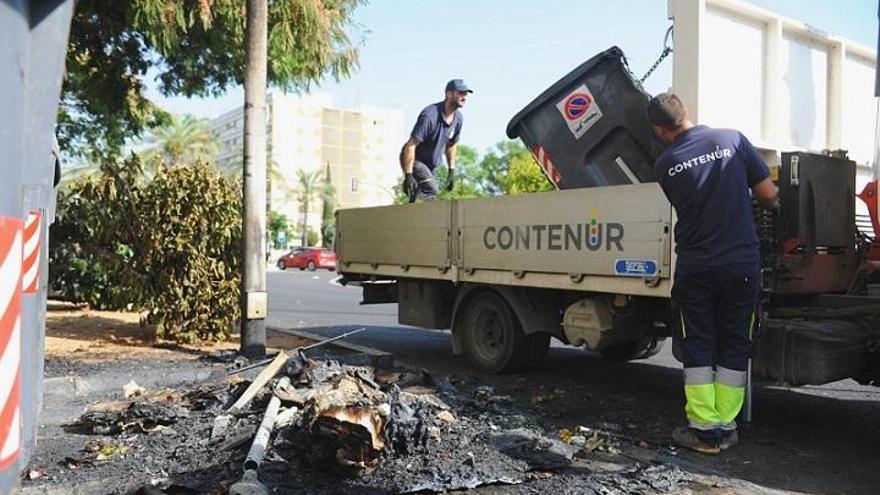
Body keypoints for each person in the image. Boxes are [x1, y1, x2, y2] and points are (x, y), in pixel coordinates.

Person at [646, 93, 778, 455]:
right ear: (686, 112)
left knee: (698, 343)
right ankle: (726, 425)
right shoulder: (732, 139)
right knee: (736, 342)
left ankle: (705, 432)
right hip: (742, 265)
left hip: (698, 266)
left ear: (659, 130)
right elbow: (767, 194)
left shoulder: (665, 164)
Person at [400, 79, 472, 202]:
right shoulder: (430, 116)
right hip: (415, 160)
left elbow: (451, 144)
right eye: (460, 93)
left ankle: (412, 210)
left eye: (465, 94)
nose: (464, 97)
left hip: (431, 166)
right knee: (432, 189)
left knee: (427, 196)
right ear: (448, 94)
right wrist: (409, 175)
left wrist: (451, 170)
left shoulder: (458, 119)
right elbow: (411, 145)